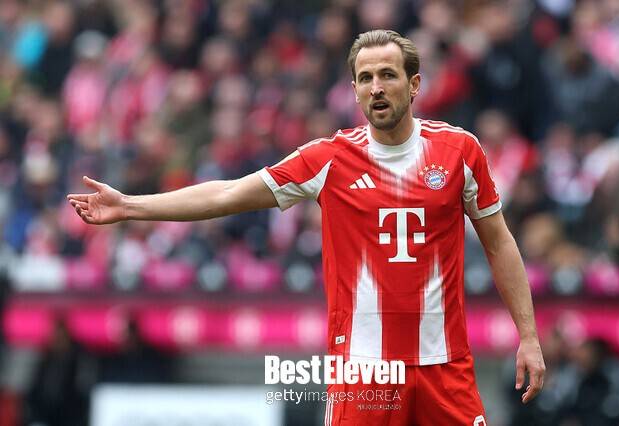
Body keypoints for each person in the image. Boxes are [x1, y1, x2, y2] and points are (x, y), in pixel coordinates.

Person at [67, 29, 545, 425]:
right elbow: (227, 194)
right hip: (364, 374)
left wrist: (527, 335)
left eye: (387, 75)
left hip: (445, 367)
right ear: (354, 90)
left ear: (414, 83)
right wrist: (130, 205)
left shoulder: (459, 151)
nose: (376, 87)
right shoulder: (328, 159)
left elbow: (499, 243)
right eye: (365, 78)